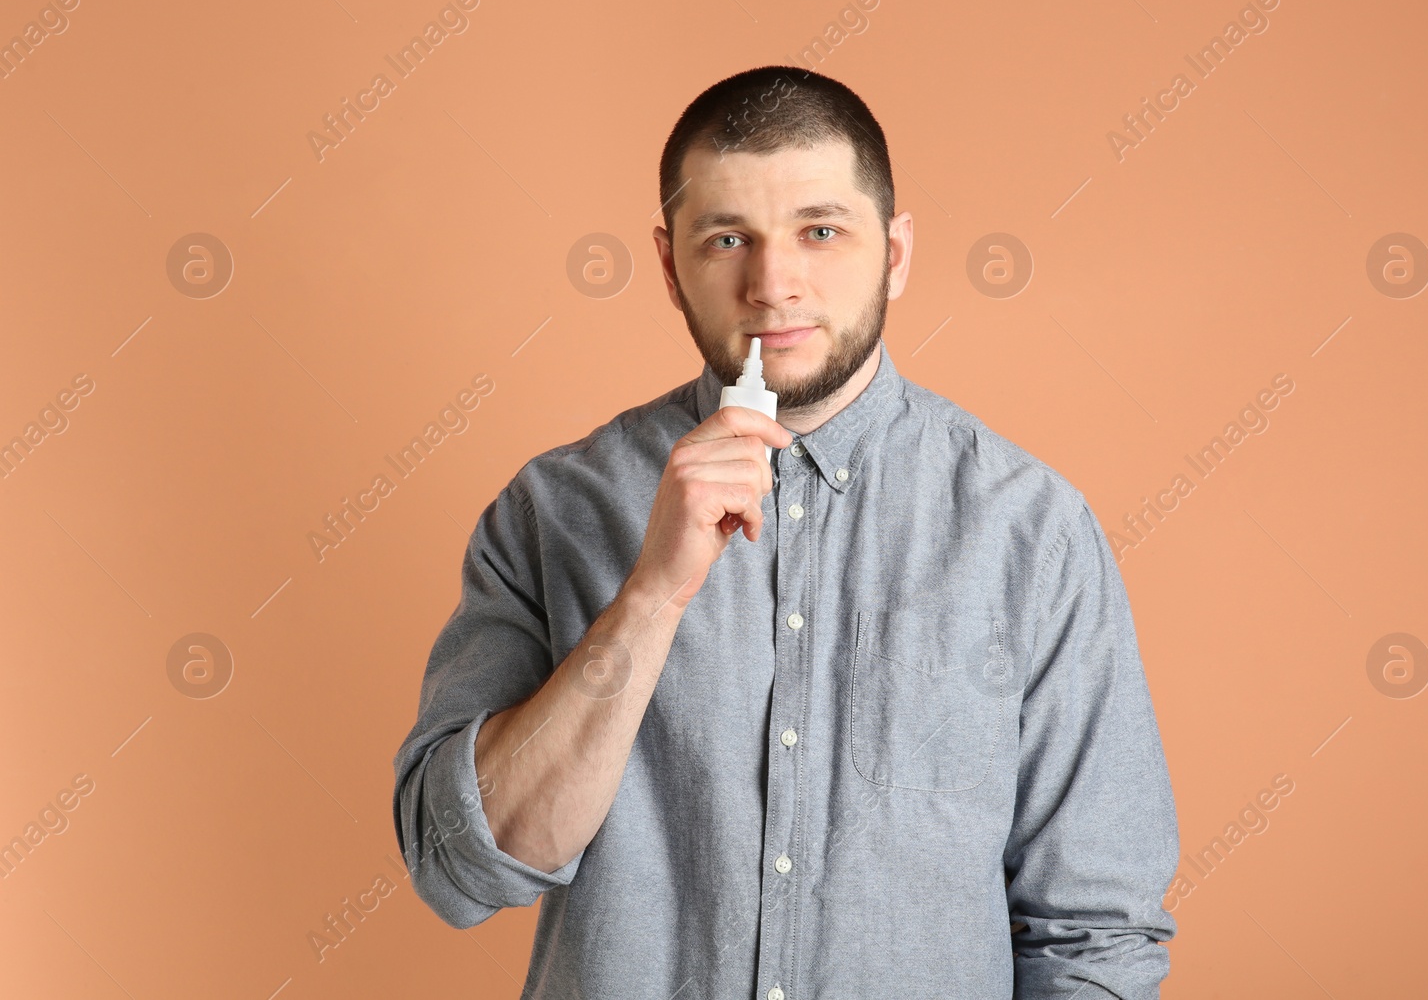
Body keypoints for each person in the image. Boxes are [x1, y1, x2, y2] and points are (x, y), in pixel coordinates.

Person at [392, 65, 1180, 998]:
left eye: (820, 231)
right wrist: (652, 595)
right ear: (669, 261)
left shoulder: (1031, 530)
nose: (772, 284)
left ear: (894, 251)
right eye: (728, 237)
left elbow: (1097, 934)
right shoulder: (552, 509)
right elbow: (461, 870)